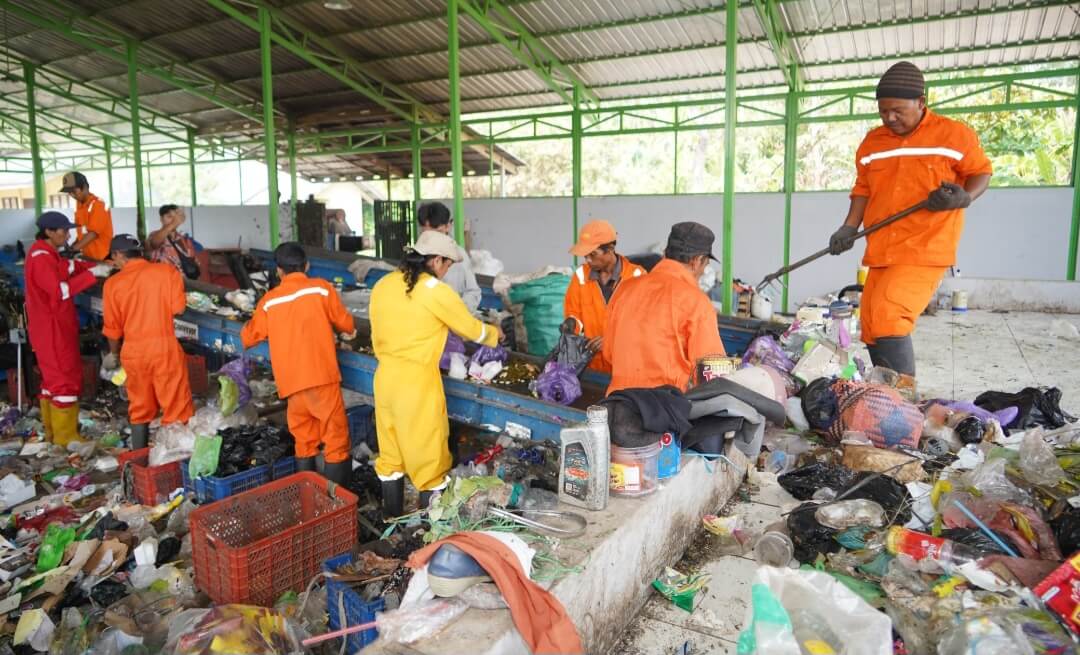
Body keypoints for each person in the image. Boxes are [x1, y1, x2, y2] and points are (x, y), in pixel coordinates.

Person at [828, 61, 992, 377]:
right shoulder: (872, 143)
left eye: (897, 110)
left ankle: (901, 407)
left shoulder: (953, 135)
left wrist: (964, 197)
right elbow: (862, 189)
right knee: (873, 323)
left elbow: (981, 172)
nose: (889, 118)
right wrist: (849, 227)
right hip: (881, 248)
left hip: (924, 246)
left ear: (921, 102)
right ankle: (887, 397)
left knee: (890, 316)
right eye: (883, 111)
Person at [369, 230, 501, 517]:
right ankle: (426, 530)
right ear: (437, 260)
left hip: (384, 379)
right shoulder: (434, 291)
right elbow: (470, 329)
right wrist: (495, 335)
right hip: (416, 385)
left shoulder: (383, 284)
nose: (446, 273)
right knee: (428, 459)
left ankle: (391, 523)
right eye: (447, 266)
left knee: (391, 455)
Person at [240, 243, 356, 487]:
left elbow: (249, 337)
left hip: (291, 385)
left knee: (304, 441)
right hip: (322, 379)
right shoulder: (322, 290)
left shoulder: (269, 301)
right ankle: (337, 505)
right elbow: (346, 324)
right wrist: (347, 332)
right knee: (335, 441)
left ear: (279, 271)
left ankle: (311, 497)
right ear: (307, 266)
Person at [604, 222, 725, 395]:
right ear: (697, 261)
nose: (703, 271)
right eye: (705, 266)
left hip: (618, 404)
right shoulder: (697, 302)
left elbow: (609, 352)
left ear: (665, 253)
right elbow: (713, 374)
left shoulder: (624, 289)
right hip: (664, 411)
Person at [24, 212, 110, 445]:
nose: (68, 234)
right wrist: (92, 275)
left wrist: (93, 267)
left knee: (52, 381)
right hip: (53, 329)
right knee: (64, 379)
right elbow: (60, 291)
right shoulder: (41, 257)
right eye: (63, 230)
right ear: (49, 232)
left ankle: (54, 435)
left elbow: (66, 266)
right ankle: (66, 438)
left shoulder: (47, 253)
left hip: (50, 327)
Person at [102, 234, 194, 449]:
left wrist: (113, 354)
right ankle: (175, 459)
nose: (113, 263)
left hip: (133, 351)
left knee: (140, 407)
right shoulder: (166, 272)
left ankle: (140, 458)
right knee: (176, 406)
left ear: (118, 255)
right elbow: (178, 308)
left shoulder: (112, 284)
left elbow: (112, 329)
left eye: (113, 258)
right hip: (164, 348)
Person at [564, 219, 645, 374]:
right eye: (585, 255)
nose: (587, 260)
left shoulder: (637, 277)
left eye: (593, 254)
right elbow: (574, 314)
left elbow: (643, 326)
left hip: (626, 368)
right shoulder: (580, 276)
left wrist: (612, 341)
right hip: (592, 365)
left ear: (610, 249)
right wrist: (571, 324)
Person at [416, 202, 482, 313]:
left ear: (448, 226)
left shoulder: (460, 256)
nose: (433, 239)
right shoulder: (415, 256)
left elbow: (473, 292)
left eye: (438, 232)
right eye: (427, 234)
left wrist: (459, 312)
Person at [61, 171, 114, 262]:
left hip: (103, 259)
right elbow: (82, 234)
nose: (72, 195)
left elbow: (93, 233)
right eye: (69, 193)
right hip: (89, 258)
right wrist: (71, 248)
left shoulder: (98, 204)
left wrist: (73, 250)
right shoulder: (79, 205)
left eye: (74, 191)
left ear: (85, 187)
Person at [147, 204, 198, 275]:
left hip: (182, 281)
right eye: (169, 217)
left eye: (175, 217)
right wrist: (174, 223)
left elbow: (193, 259)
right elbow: (154, 242)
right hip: (163, 281)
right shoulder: (154, 235)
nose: (174, 220)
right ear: (161, 219)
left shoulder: (184, 238)